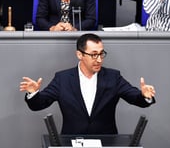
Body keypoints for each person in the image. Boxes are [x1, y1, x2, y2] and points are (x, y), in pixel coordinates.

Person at [19, 33, 156, 135]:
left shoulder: (113, 77)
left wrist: (145, 96)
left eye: (101, 54)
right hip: (72, 142)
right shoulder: (63, 79)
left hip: (106, 142)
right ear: (80, 55)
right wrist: (33, 93)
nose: (98, 59)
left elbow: (135, 98)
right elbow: (39, 104)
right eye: (94, 54)